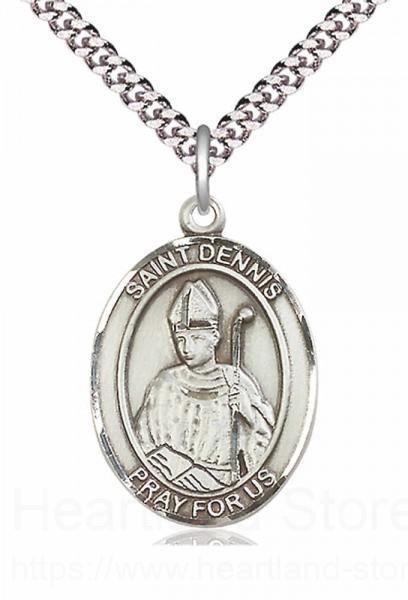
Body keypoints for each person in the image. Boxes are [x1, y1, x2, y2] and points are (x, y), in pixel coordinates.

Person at [135, 279, 274, 492]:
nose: (186, 348)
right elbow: (143, 441)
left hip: (220, 484)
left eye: (196, 338)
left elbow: (264, 442)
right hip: (170, 480)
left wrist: (249, 416)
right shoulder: (165, 383)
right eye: (180, 339)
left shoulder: (234, 379)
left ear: (215, 338)